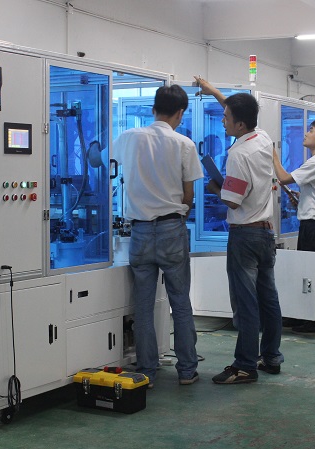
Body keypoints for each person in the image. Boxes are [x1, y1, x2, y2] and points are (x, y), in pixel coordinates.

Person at [194, 76, 283, 384]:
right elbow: (241, 110)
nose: (222, 121)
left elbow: (232, 201)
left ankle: (245, 365)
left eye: (226, 117)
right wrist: (214, 92)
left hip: (244, 235)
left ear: (240, 124)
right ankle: (271, 356)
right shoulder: (263, 138)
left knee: (245, 303)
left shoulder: (238, 154)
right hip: (265, 233)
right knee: (268, 300)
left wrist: (214, 186)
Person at [113, 84, 202, 387]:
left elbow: (99, 160)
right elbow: (189, 196)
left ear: (153, 109)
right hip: (171, 229)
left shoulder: (129, 137)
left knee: (143, 305)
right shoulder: (184, 144)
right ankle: (187, 371)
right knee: (180, 301)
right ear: (180, 113)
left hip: (139, 231)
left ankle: (147, 372)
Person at [272, 119, 315, 337]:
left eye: (311, 130)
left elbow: (283, 178)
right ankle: (305, 316)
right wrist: (304, 197)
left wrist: (272, 155)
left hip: (313, 224)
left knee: (313, 273)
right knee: (310, 272)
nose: (306, 133)